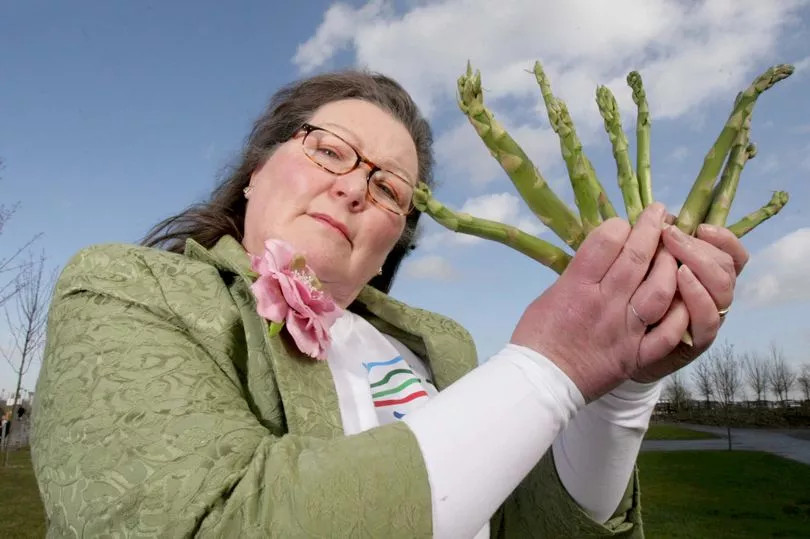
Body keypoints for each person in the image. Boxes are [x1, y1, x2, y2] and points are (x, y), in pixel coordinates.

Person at [31, 70, 747, 538]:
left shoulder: (445, 348)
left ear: (391, 244)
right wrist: (550, 366)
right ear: (255, 171)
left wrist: (619, 388)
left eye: (390, 190)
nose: (353, 188)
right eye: (331, 150)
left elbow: (543, 527)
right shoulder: (124, 289)